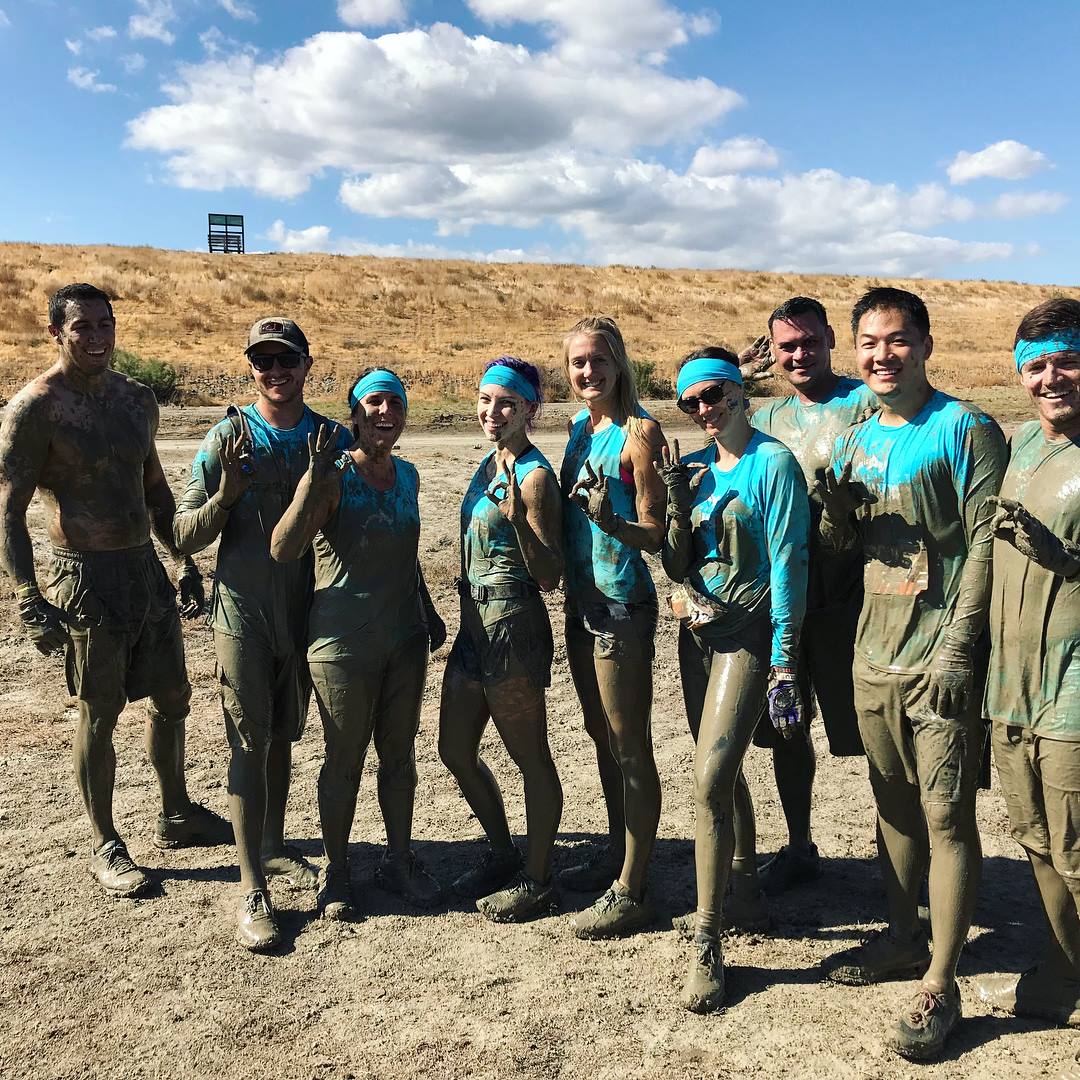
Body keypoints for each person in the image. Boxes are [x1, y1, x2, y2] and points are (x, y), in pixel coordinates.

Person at [819, 288, 1007, 1061]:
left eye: (897, 340)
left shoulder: (966, 429)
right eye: (869, 342)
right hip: (874, 655)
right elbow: (840, 552)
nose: (882, 355)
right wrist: (833, 511)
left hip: (938, 656)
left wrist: (961, 647)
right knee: (891, 804)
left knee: (946, 816)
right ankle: (902, 936)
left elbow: (988, 544)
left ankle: (941, 980)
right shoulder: (855, 438)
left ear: (926, 344)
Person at [0, 282, 228, 900]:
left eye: (105, 324)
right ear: (56, 332)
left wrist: (182, 560)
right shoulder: (35, 409)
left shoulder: (136, 400)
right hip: (84, 576)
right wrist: (28, 599)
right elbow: (9, 512)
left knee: (173, 696)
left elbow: (154, 489)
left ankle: (176, 812)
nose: (97, 337)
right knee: (99, 712)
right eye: (82, 327)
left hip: (143, 570)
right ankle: (105, 841)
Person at [174, 316, 346, 950]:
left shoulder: (329, 438)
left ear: (307, 366)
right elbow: (182, 534)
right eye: (263, 361)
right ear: (251, 368)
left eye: (286, 360)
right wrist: (226, 495)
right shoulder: (229, 436)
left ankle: (272, 844)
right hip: (243, 613)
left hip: (305, 613)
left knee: (283, 735)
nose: (275, 371)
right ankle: (252, 890)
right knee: (248, 741)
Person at [660, 347, 810, 1013]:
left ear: (741, 392)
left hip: (748, 640)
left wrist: (784, 662)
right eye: (690, 401)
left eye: (714, 394)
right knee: (719, 772)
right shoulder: (694, 468)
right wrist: (674, 504)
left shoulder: (773, 464)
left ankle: (708, 937)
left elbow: (790, 564)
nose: (704, 409)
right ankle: (744, 888)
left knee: (709, 781)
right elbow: (677, 564)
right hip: (697, 636)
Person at [271, 367, 445, 923]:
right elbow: (283, 548)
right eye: (373, 403)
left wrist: (428, 608)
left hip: (404, 639)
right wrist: (311, 482)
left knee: (400, 756)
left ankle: (398, 859)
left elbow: (404, 552)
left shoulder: (409, 475)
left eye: (394, 403)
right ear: (354, 413)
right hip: (342, 644)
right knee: (343, 760)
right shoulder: (334, 474)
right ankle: (338, 870)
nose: (384, 412)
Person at [975, 298, 1080, 1028]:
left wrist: (1065, 557)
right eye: (1035, 365)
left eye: (1066, 361)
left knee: (1075, 841)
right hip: (1010, 681)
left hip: (1073, 679)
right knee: (1035, 836)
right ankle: (1065, 964)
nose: (1050, 378)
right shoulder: (1019, 446)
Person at [747, 297, 872, 896]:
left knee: (875, 732)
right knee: (787, 726)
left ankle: (897, 860)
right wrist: (737, 373)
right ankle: (799, 846)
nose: (799, 355)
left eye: (810, 342)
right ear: (771, 351)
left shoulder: (865, 403)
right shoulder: (767, 418)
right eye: (787, 346)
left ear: (830, 341)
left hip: (853, 595)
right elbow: (707, 405)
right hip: (782, 598)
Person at [438, 358, 565, 923]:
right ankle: (503, 851)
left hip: (512, 623)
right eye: (486, 399)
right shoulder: (489, 461)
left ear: (530, 410)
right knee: (454, 748)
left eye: (507, 403)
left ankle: (538, 879)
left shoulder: (535, 477)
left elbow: (550, 574)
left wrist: (517, 520)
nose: (493, 412)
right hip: (473, 624)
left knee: (531, 758)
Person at [557, 316, 668, 939]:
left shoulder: (639, 432)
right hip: (583, 603)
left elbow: (655, 533)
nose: (588, 371)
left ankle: (634, 886)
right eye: (578, 362)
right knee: (600, 736)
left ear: (619, 362)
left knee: (630, 745)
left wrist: (611, 522)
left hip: (623, 604)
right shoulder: (581, 427)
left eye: (598, 359)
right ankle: (615, 851)